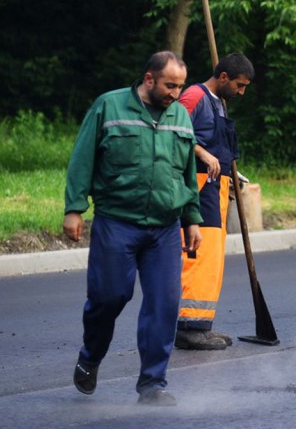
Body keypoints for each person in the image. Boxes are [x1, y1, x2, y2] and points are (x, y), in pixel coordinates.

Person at [63, 51, 202, 406]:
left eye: (181, 85)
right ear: (149, 78)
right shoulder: (109, 107)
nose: (175, 92)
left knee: (166, 303)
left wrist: (192, 220)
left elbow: (185, 173)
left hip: (164, 228)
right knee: (109, 297)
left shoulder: (181, 116)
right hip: (117, 222)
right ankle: (90, 356)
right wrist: (75, 209)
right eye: (170, 85)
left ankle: (153, 384)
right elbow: (83, 158)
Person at [174, 53, 255, 350]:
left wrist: (233, 176)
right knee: (199, 256)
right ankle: (188, 326)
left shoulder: (219, 102)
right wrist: (203, 154)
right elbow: (174, 134)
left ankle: (201, 324)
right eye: (239, 85)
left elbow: (218, 146)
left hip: (215, 187)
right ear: (223, 78)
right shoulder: (194, 96)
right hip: (196, 186)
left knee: (213, 259)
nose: (242, 91)